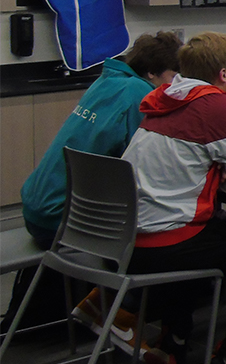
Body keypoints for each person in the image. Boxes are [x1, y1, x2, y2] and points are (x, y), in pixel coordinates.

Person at [120, 32, 226, 364]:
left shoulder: (165, 97)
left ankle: (173, 344)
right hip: (167, 243)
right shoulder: (218, 107)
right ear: (221, 73)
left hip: (129, 238)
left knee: (209, 233)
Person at [22, 31, 182, 249]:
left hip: (37, 209)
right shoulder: (140, 93)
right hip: (64, 222)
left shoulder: (108, 81)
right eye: (173, 77)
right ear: (152, 72)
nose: (175, 86)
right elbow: (147, 163)